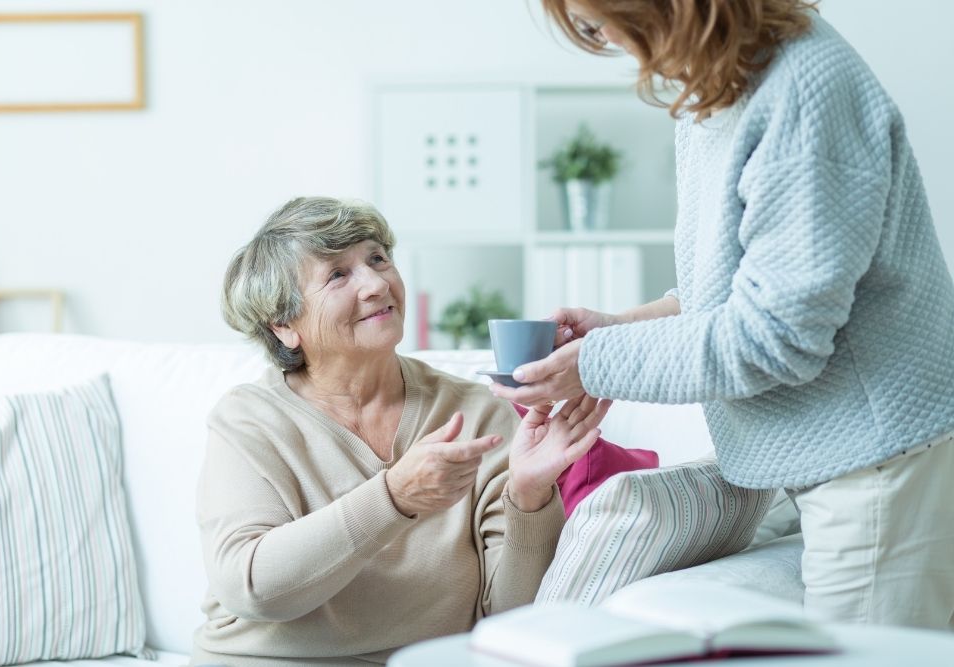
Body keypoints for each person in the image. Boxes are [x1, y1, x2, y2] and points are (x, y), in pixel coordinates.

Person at [491, 0, 954, 630]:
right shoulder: (714, 90)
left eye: (598, 23)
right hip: (821, 454)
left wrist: (593, 363)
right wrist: (620, 328)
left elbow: (778, 337)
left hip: (875, 454)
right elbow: (732, 295)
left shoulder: (803, 89)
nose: (606, 42)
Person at [192, 196, 611, 666]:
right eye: (337, 274)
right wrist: (394, 497)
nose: (376, 284)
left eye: (377, 259)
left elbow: (509, 622)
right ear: (284, 326)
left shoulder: (477, 413)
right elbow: (250, 587)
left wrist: (530, 497)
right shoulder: (249, 420)